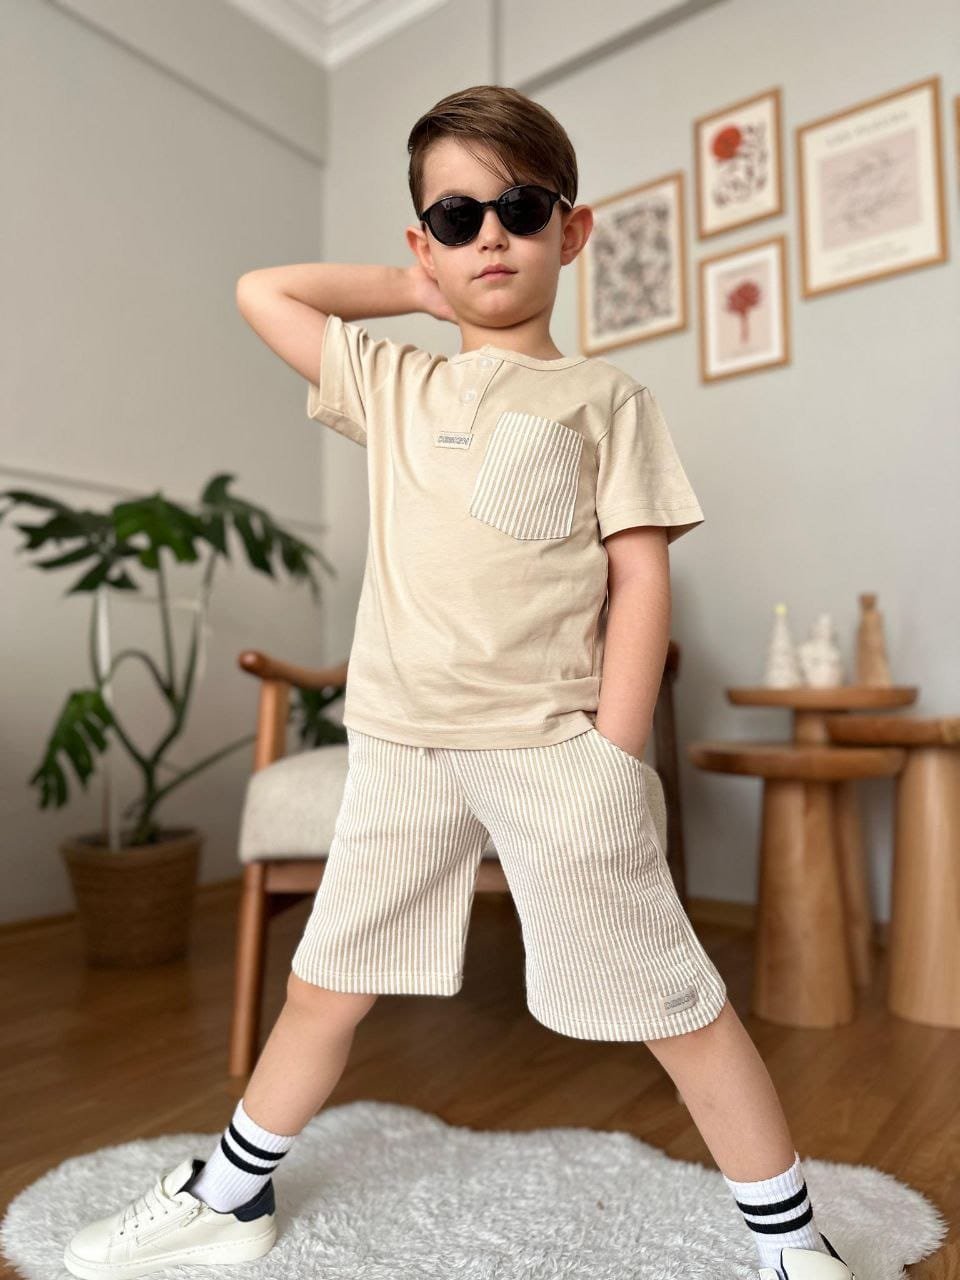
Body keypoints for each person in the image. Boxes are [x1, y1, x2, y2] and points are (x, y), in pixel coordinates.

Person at [64, 84, 855, 1280]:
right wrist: (412, 286)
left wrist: (612, 753)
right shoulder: (394, 382)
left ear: (570, 231)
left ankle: (791, 1238)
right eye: (457, 215)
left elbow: (640, 578)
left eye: (521, 208)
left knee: (673, 997)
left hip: (550, 749)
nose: (491, 234)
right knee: (325, 983)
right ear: (425, 240)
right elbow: (263, 292)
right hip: (402, 748)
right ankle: (230, 1194)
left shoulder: (606, 400)